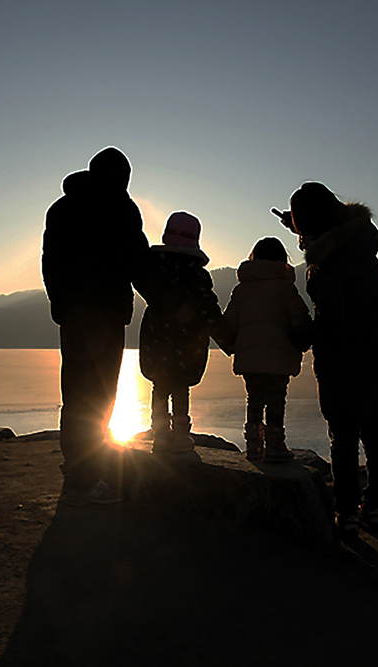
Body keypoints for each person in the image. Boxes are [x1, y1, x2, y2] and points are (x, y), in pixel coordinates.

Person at [274, 182, 378, 537]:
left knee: (343, 440)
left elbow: (331, 320)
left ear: (310, 221)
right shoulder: (361, 247)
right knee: (376, 436)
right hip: (377, 355)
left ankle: (346, 514)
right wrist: (300, 229)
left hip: (343, 364)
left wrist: (299, 336)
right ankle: (374, 508)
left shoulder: (327, 263)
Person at [42, 147, 148, 503]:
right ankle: (87, 481)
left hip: (73, 316)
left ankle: (77, 470)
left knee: (74, 393)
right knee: (100, 396)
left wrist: (59, 304)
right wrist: (165, 295)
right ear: (122, 178)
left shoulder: (61, 208)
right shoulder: (122, 208)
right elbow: (138, 261)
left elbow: (50, 263)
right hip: (107, 314)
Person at [136, 211, 229, 454]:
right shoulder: (197, 275)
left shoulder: (152, 269)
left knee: (160, 385)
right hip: (188, 342)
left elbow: (142, 282)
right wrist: (230, 341)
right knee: (180, 386)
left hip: (156, 340)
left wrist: (167, 307)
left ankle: (160, 435)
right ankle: (180, 435)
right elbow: (209, 310)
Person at [222, 237, 312, 462]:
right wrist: (305, 340)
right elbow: (299, 319)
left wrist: (232, 346)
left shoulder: (241, 290)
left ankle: (253, 446)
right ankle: (275, 446)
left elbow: (228, 323)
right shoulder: (286, 288)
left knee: (254, 398)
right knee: (276, 400)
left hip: (250, 358)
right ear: (282, 259)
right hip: (280, 359)